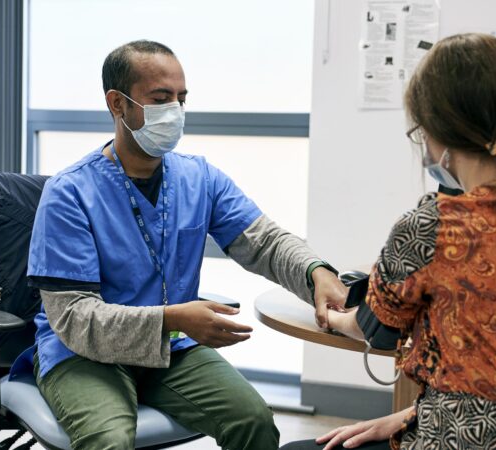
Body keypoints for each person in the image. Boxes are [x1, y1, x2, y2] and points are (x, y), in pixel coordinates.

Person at [281, 33, 496, 450]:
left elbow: (375, 329)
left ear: (436, 132)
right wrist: (407, 415)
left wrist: (335, 316)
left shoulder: (433, 224)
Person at [25, 40, 348, 450]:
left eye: (182, 99)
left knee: (253, 421)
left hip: (171, 350)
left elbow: (264, 242)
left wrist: (315, 272)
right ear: (117, 105)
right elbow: (73, 318)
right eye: (160, 99)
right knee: (108, 440)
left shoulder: (200, 178)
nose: (175, 111)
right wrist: (171, 319)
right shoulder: (69, 193)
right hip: (83, 356)